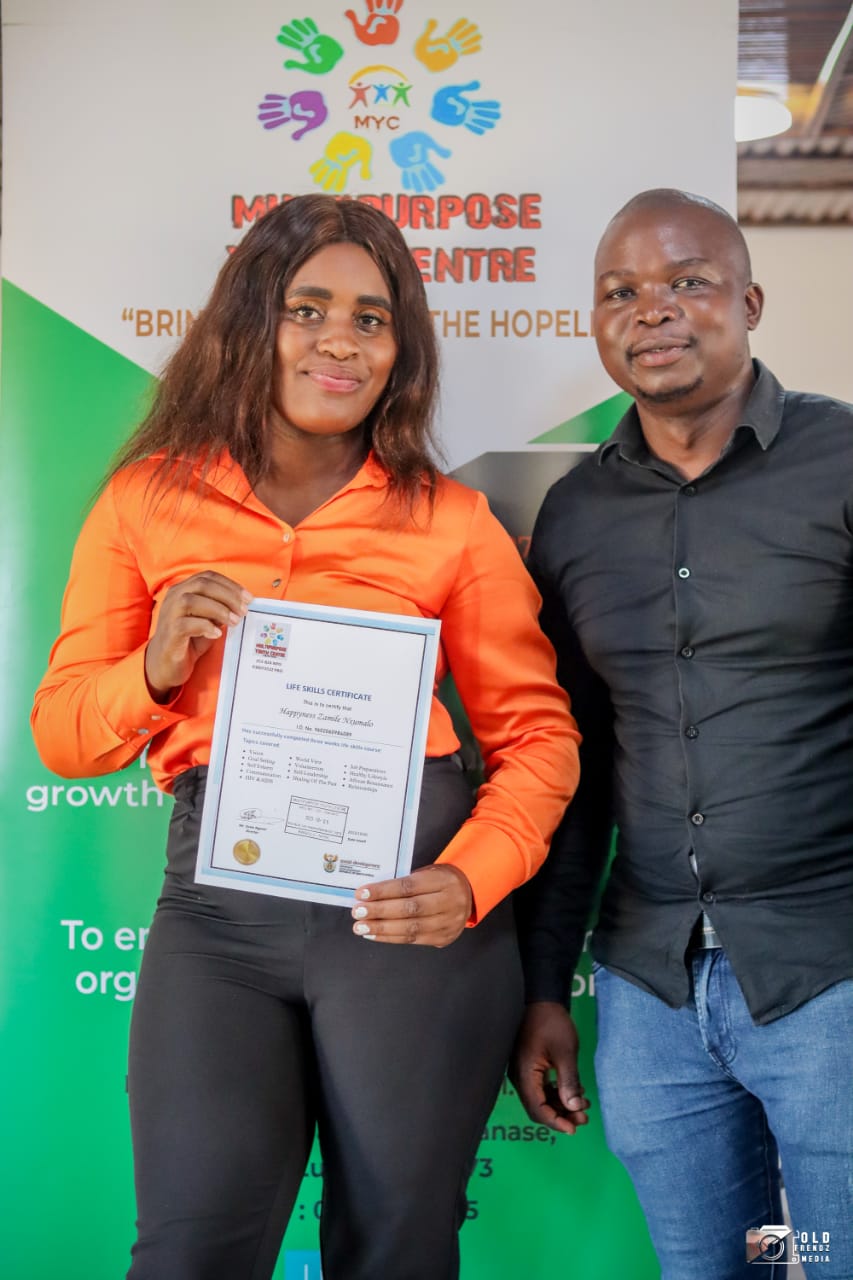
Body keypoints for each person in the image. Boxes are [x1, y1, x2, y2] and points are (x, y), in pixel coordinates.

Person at [32, 194, 580, 1280]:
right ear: (249, 320)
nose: (341, 340)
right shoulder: (146, 503)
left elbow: (538, 737)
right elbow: (63, 734)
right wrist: (154, 668)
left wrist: (469, 879)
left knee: (396, 1250)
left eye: (373, 319)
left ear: (400, 350)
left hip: (411, 914)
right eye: (307, 308)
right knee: (189, 1250)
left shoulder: (450, 521)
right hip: (218, 922)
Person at [511, 188, 853, 1280]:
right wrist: (544, 985)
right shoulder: (574, 514)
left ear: (748, 302)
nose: (650, 309)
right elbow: (575, 768)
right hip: (650, 990)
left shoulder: (842, 462)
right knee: (712, 1269)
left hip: (830, 973)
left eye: (686, 282)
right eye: (620, 291)